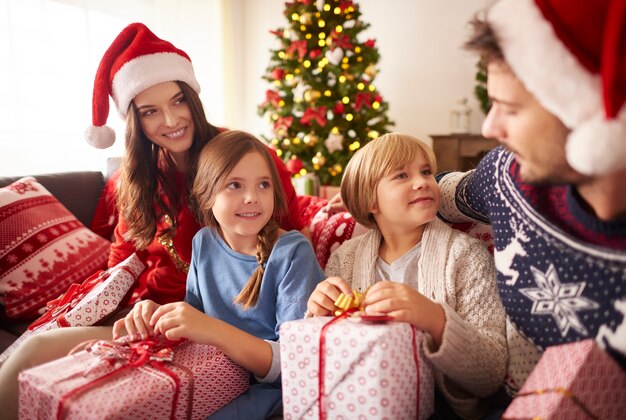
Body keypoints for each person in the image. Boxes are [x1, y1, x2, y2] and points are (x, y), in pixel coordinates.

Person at [0, 22, 308, 419]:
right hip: (156, 322)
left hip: (224, 332)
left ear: (193, 100)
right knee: (33, 352)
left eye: (178, 101)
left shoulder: (246, 160)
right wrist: (137, 309)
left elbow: (287, 242)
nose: (170, 119)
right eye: (150, 110)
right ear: (135, 121)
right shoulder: (135, 180)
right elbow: (121, 262)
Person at [436, 0, 626, 403]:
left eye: (510, 109)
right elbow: (440, 194)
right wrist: (363, 199)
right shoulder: (508, 174)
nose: (490, 127)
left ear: (588, 119)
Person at [112, 130, 324, 418]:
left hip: (272, 390)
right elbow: (193, 322)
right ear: (206, 196)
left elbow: (296, 363)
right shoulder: (203, 242)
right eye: (234, 185)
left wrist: (211, 330)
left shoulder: (292, 252)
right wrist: (157, 316)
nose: (252, 197)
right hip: (212, 375)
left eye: (264, 185)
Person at [306, 133, 507, 419]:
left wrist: (436, 320)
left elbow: (491, 374)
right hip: (363, 402)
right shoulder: (345, 258)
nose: (423, 181)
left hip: (442, 409)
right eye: (401, 175)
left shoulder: (465, 256)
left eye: (427, 172)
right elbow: (324, 354)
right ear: (369, 201)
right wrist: (317, 312)